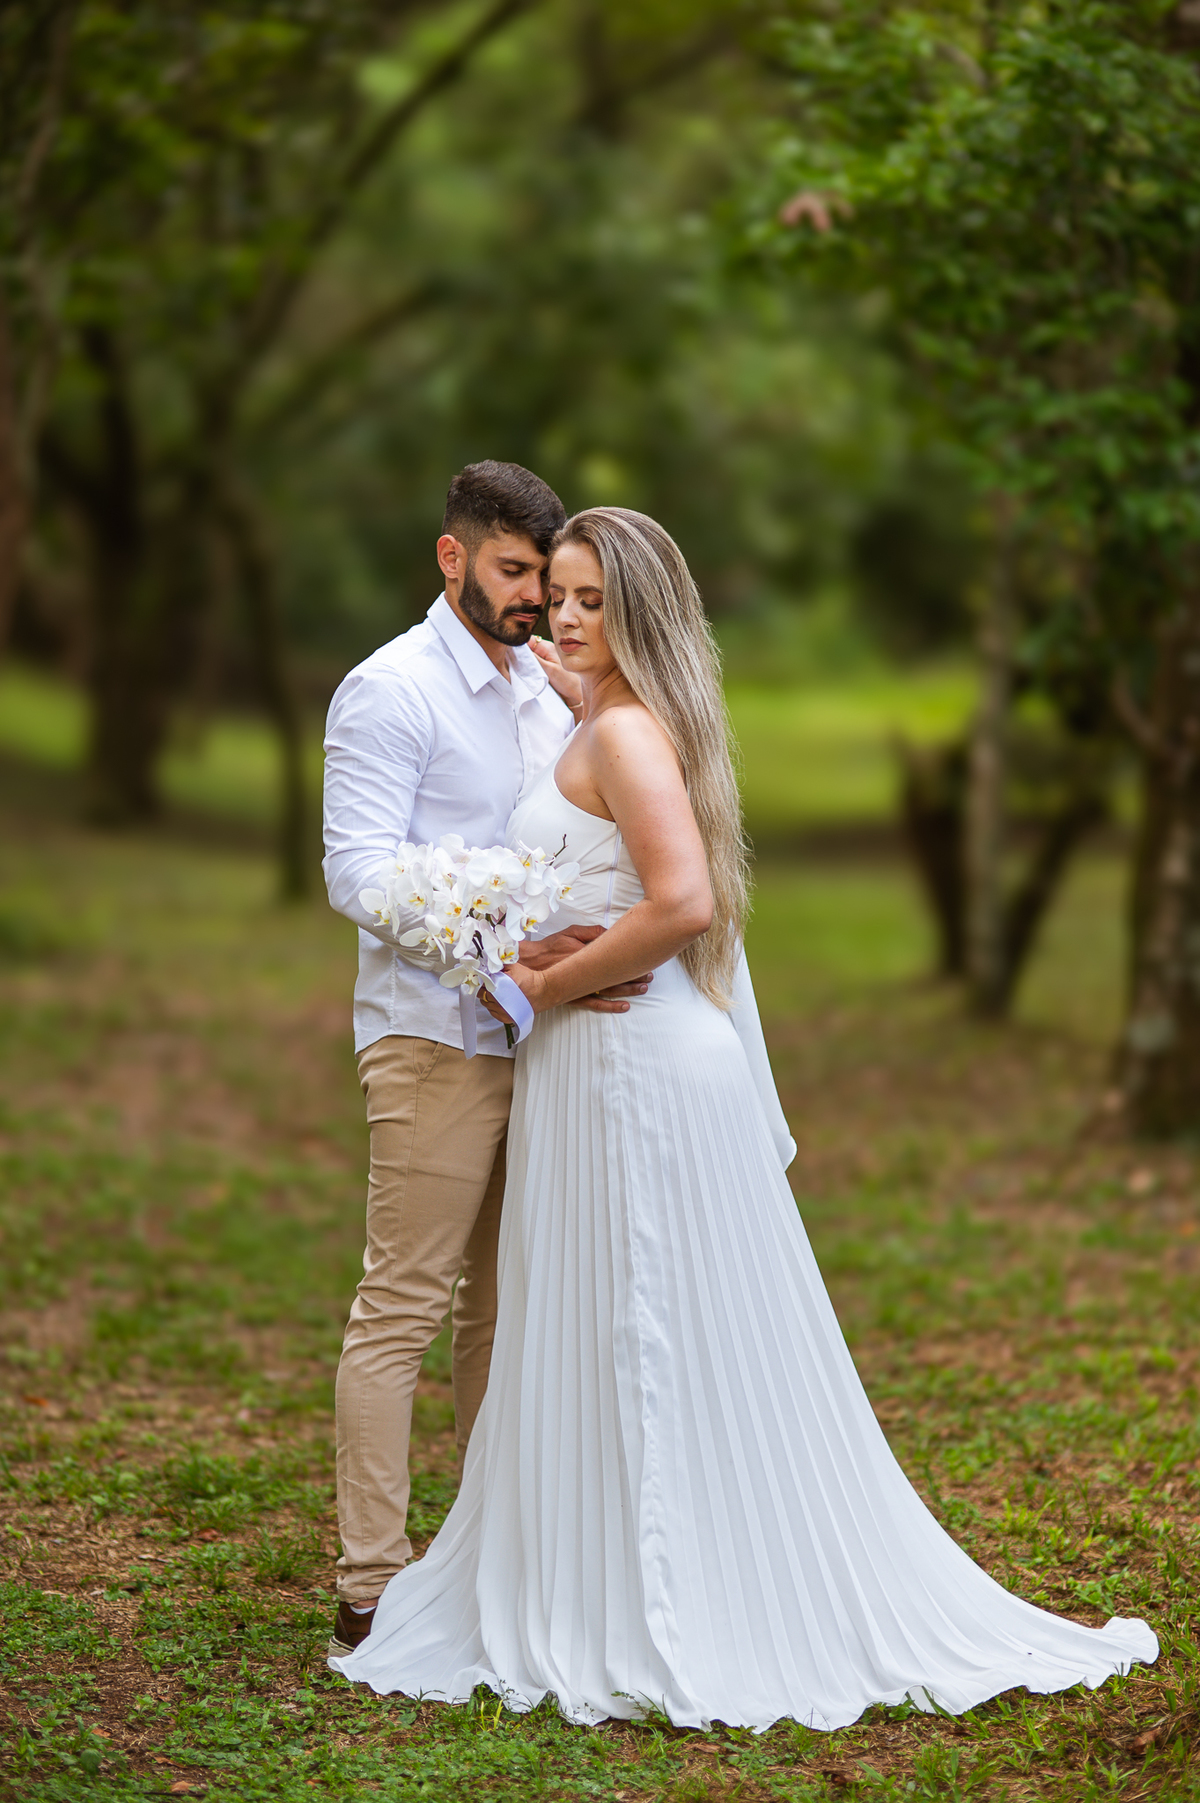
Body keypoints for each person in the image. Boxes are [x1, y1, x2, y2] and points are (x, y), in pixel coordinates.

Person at [329, 506, 1156, 1729]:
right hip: (584, 1063)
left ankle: (679, 1587)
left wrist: (543, 984)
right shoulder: (580, 709)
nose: (564, 614)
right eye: (555, 592)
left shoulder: (626, 735)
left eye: (591, 598)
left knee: (651, 1322)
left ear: (642, 609)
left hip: (629, 1064)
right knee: (598, 1320)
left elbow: (684, 900)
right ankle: (587, 1562)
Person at [321, 464, 650, 1659]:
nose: (535, 602)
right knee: (404, 1304)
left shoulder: (545, 686)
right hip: (431, 1038)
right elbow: (355, 873)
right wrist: (507, 937)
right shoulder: (389, 691)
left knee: (507, 1313)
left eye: (547, 580)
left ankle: (482, 1565)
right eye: (515, 575)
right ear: (452, 558)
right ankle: (370, 1580)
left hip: (546, 1038)